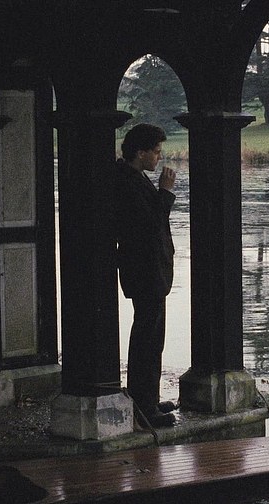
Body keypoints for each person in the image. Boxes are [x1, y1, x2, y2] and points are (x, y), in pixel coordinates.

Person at [114, 123, 177, 428]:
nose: (158, 157)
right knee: (147, 340)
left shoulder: (134, 178)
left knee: (151, 337)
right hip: (145, 272)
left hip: (148, 271)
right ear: (140, 153)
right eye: (156, 151)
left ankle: (148, 399)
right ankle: (144, 406)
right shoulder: (127, 182)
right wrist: (165, 193)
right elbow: (149, 226)